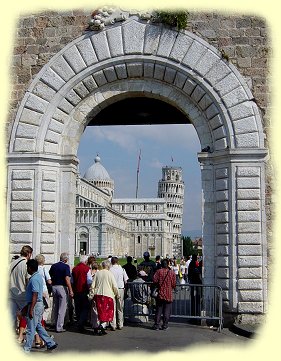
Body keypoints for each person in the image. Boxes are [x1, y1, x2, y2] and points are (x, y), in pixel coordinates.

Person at [22, 259, 57, 353]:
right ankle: (50, 342)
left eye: (27, 267)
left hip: (35, 305)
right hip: (36, 304)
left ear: (30, 268)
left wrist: (30, 309)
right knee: (37, 326)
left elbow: (35, 294)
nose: (27, 269)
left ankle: (26, 348)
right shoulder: (37, 277)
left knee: (30, 328)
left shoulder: (34, 279)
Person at [88, 260, 119, 335]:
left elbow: (93, 285)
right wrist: (117, 294)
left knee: (97, 312)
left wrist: (91, 294)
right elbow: (114, 286)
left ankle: (96, 326)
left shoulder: (98, 273)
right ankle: (102, 325)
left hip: (98, 294)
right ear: (108, 266)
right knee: (107, 312)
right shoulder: (110, 274)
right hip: (108, 295)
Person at [9, 245, 33, 343]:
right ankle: (36, 338)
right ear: (28, 253)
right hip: (22, 294)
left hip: (11, 293)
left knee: (11, 317)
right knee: (28, 317)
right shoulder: (25, 264)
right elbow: (28, 280)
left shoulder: (12, 263)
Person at [49, 252, 74, 332]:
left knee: (55, 307)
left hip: (54, 286)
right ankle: (59, 326)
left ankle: (54, 322)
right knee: (62, 308)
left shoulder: (53, 266)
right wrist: (70, 290)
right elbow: (67, 279)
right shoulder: (66, 267)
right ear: (65, 259)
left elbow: (50, 275)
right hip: (62, 287)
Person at [152, 258, 176, 330]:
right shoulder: (171, 273)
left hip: (160, 293)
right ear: (168, 264)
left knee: (159, 310)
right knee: (167, 310)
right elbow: (174, 284)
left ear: (161, 264)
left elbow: (154, 280)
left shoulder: (158, 271)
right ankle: (165, 325)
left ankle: (157, 325)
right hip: (168, 294)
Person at [71, 255, 92, 333]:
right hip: (84, 290)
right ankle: (81, 322)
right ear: (86, 261)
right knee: (85, 308)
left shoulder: (74, 269)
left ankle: (79, 321)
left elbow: (72, 281)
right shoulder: (87, 269)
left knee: (78, 307)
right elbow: (89, 281)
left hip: (76, 291)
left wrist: (72, 290)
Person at [110, 257, 128, 330]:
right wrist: (125, 289)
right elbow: (126, 280)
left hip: (112, 289)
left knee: (112, 307)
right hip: (120, 289)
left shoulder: (110, 269)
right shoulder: (122, 269)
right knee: (120, 307)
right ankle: (120, 324)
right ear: (118, 262)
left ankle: (113, 324)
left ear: (112, 262)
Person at [188, 254, 202, 319]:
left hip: (194, 282)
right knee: (197, 299)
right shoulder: (194, 264)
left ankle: (194, 314)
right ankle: (195, 314)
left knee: (194, 299)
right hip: (196, 282)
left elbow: (189, 273)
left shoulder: (192, 264)